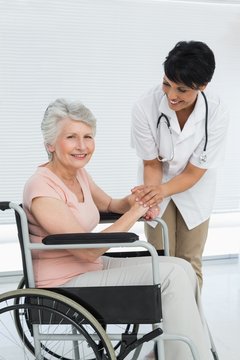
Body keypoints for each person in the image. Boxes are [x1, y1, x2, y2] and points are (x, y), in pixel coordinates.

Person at [23, 98, 212, 360]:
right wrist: (134, 213)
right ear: (50, 144)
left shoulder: (78, 174)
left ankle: (181, 351)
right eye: (71, 137)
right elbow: (88, 251)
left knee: (182, 267)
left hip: (90, 267)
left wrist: (135, 201)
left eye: (88, 136)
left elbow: (111, 204)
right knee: (171, 276)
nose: (82, 146)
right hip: (65, 281)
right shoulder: (42, 189)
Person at [131, 40, 229, 288]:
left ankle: (190, 324)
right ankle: (163, 324)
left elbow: (195, 171)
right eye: (167, 84)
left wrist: (160, 192)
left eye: (182, 90)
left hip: (195, 189)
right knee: (161, 261)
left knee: (189, 263)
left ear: (203, 86)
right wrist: (154, 196)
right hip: (156, 182)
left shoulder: (216, 111)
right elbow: (151, 163)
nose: (172, 96)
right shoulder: (145, 106)